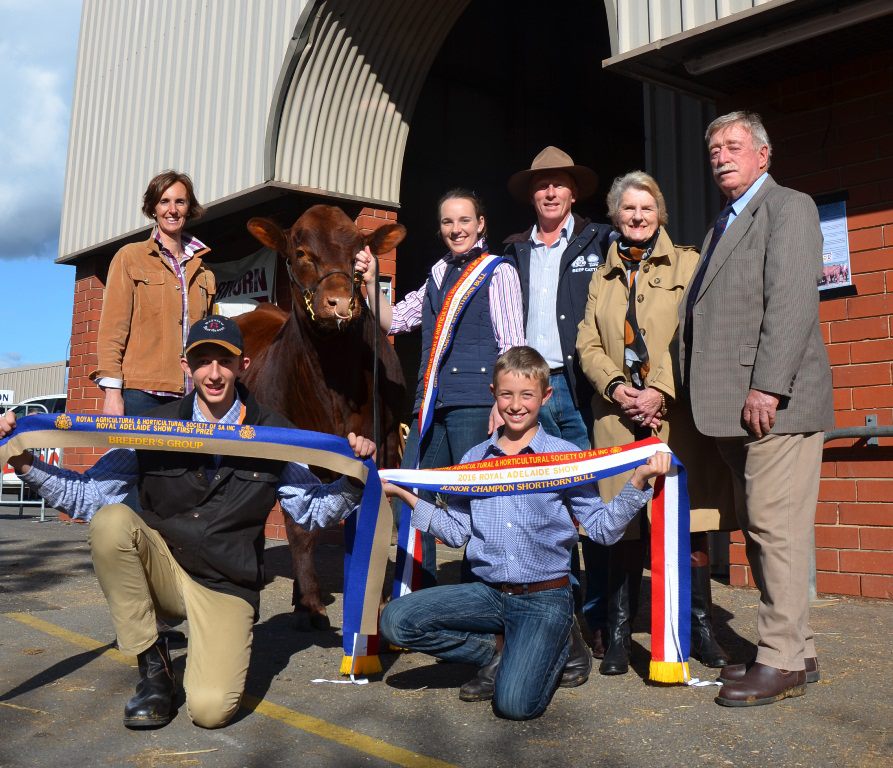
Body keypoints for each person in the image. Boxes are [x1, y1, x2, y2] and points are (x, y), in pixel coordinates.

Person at [2, 315, 376, 729]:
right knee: (111, 522)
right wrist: (24, 462)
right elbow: (87, 498)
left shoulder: (274, 433)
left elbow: (310, 511)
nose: (213, 374)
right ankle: (154, 666)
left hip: (226, 584)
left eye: (224, 361)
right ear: (186, 366)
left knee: (210, 711)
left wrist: (353, 478)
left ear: (242, 366)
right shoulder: (153, 428)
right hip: (166, 571)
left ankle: (210, 647)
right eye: (202, 361)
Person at [380, 346, 670, 720]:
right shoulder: (473, 460)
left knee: (515, 705)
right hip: (488, 594)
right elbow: (455, 534)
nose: (516, 405)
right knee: (396, 621)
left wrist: (638, 481)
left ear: (545, 397)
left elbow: (602, 530)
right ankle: (501, 649)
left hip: (544, 597)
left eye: (527, 395)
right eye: (506, 394)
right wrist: (404, 495)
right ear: (493, 395)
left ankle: (562, 645)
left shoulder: (565, 458)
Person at [679, 111, 833, 707]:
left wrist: (767, 386)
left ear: (763, 155)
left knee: (777, 532)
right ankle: (797, 647)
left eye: (734, 146)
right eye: (713, 147)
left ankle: (782, 660)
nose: (721, 155)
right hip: (737, 415)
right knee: (770, 532)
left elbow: (792, 303)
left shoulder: (788, 207)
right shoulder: (725, 220)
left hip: (775, 408)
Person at [576, 171, 735, 675]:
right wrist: (617, 388)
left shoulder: (689, 263)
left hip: (674, 415)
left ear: (660, 214)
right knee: (622, 527)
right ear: (615, 216)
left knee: (688, 529)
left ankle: (700, 630)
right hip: (617, 420)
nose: (637, 217)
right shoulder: (600, 276)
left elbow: (693, 333)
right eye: (628, 209)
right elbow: (587, 344)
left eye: (646, 208)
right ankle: (621, 636)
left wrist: (657, 390)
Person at [355, 189, 527, 588]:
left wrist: (503, 403)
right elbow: (392, 320)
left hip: (475, 403)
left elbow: (513, 345)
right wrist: (371, 279)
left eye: (464, 220)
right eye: (448, 222)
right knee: (413, 495)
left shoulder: (498, 270)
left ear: (480, 224)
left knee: (477, 505)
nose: (456, 229)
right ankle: (418, 598)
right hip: (431, 404)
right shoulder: (437, 273)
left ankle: (481, 604)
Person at [503, 146, 614, 655]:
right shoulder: (512, 250)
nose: (550, 192)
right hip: (527, 389)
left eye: (559, 184)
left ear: (573, 192)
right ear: (532, 194)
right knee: (542, 506)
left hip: (577, 386)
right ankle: (559, 619)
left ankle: (598, 618)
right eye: (541, 184)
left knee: (593, 500)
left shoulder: (601, 240)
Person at [92, 169, 216, 418]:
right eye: (164, 201)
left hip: (193, 395)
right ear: (153, 208)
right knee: (137, 459)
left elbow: (210, 340)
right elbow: (112, 330)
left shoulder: (205, 272)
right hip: (141, 395)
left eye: (180, 202)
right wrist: (113, 394)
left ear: (189, 208)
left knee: (188, 459)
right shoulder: (129, 257)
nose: (172, 209)